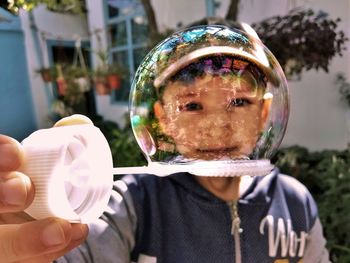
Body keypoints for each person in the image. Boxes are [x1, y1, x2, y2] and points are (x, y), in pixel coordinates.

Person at [0, 24, 330, 263]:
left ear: (265, 113)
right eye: (191, 105)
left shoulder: (296, 204)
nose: (216, 127)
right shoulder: (132, 206)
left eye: (238, 102)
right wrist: (30, 239)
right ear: (164, 119)